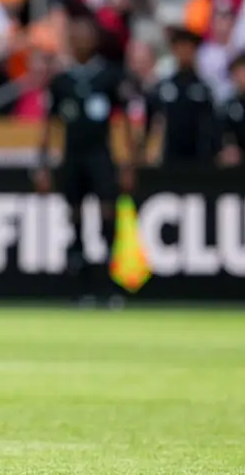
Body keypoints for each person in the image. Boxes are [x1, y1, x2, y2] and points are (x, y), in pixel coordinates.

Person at [34, 16, 137, 283]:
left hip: (100, 154)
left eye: (86, 36)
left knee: (107, 209)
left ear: (96, 40)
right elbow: (49, 125)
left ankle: (109, 264)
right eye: (76, 37)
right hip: (72, 155)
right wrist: (42, 164)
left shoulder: (110, 75)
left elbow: (125, 121)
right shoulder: (61, 81)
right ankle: (77, 266)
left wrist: (129, 162)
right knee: (73, 210)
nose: (82, 42)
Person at [146, 27, 221, 167]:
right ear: (174, 50)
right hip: (169, 157)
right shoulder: (164, 87)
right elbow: (152, 120)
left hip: (200, 157)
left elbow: (213, 124)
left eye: (189, 48)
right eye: (180, 47)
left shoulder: (205, 89)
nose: (184, 52)